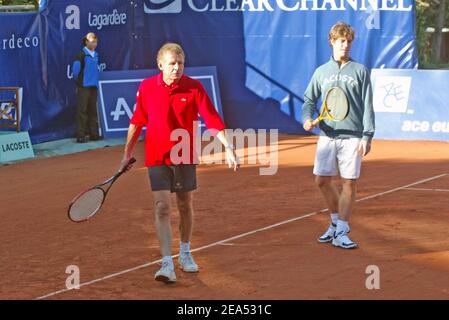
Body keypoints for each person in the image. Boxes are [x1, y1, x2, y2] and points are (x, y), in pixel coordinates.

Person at [119, 43, 239, 283]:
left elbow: (212, 119)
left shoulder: (194, 87)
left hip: (184, 154)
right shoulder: (147, 87)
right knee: (162, 207)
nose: (177, 68)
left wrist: (228, 146)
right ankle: (166, 264)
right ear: (160, 64)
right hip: (156, 156)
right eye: (172, 63)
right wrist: (126, 154)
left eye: (181, 63)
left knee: (185, 204)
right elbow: (137, 122)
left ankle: (185, 252)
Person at [302, 22, 375, 249]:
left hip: (353, 136)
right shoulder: (321, 72)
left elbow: (367, 105)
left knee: (349, 183)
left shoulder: (360, 71)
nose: (345, 45)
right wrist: (307, 118)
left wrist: (367, 136)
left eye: (349, 41)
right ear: (332, 42)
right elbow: (309, 100)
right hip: (327, 134)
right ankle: (334, 223)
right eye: (341, 41)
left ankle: (343, 229)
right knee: (322, 180)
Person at [72, 32, 102, 143]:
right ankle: (81, 135)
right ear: (86, 42)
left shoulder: (96, 55)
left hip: (93, 87)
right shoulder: (80, 55)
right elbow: (75, 72)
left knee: (93, 111)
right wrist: (80, 83)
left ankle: (94, 134)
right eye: (92, 42)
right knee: (82, 111)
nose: (94, 44)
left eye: (95, 42)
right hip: (83, 87)